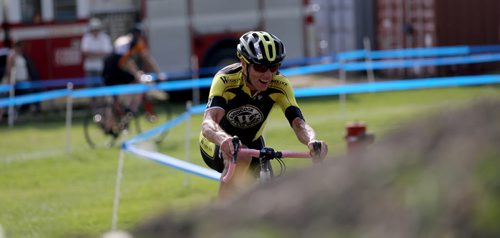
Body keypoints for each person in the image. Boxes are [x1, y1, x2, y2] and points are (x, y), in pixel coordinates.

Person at [199, 31, 328, 199]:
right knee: (241, 157)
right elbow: (208, 122)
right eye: (260, 67)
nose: (268, 75)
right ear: (244, 64)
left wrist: (312, 140)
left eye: (274, 67)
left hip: (253, 142)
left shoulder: (280, 84)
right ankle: (222, 216)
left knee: (268, 194)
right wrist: (224, 139)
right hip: (215, 142)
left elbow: (299, 124)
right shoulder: (226, 80)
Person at [101, 23, 166, 135]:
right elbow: (127, 62)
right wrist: (154, 74)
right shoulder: (128, 43)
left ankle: (117, 119)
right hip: (114, 71)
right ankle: (128, 110)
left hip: (111, 70)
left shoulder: (128, 41)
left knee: (117, 97)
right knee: (139, 83)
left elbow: (141, 59)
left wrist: (139, 72)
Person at [5, 40, 41, 114]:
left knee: (32, 93)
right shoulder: (12, 55)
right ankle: (17, 111)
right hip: (16, 82)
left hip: (24, 81)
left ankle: (26, 110)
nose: (22, 48)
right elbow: (9, 69)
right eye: (21, 46)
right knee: (20, 97)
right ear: (17, 46)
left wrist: (28, 78)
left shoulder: (21, 55)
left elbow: (25, 68)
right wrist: (10, 81)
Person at [80, 17, 112, 86]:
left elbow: (108, 52)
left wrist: (92, 53)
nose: (95, 31)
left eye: (96, 29)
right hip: (89, 67)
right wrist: (100, 53)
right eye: (93, 29)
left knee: (102, 86)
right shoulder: (87, 37)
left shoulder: (105, 37)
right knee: (91, 87)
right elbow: (85, 52)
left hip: (102, 67)